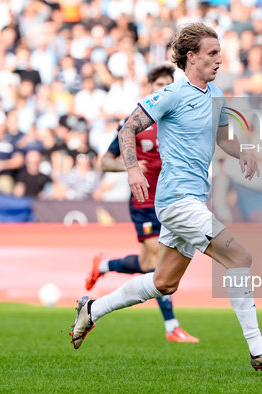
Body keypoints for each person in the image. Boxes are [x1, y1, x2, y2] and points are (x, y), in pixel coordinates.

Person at [70, 23, 262, 371]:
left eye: (219, 53)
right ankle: (258, 350)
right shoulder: (173, 93)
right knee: (240, 257)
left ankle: (92, 309)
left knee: (163, 282)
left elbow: (223, 139)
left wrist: (244, 153)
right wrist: (132, 169)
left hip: (193, 199)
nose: (219, 60)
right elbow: (128, 127)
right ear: (191, 57)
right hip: (177, 199)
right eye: (212, 54)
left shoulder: (217, 96)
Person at [84, 65, 199, 343]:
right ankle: (172, 326)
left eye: (166, 84)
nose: (161, 88)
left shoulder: (177, 120)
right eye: (156, 84)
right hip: (144, 200)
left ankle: (103, 266)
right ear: (148, 88)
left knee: (150, 263)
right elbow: (105, 162)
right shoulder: (135, 121)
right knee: (160, 264)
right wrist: (131, 167)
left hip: (172, 200)